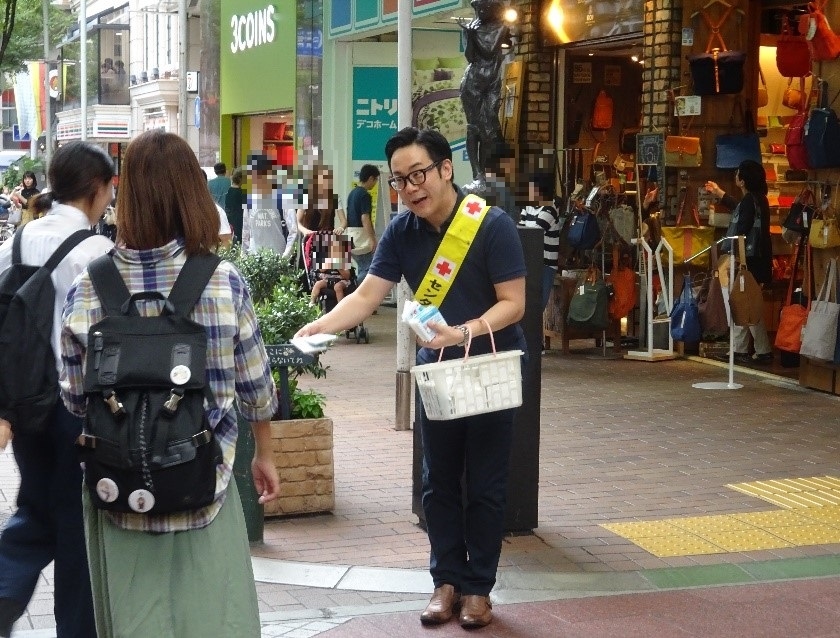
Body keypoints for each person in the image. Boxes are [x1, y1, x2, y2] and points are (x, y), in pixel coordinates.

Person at [295, 127, 526, 630]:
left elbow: (515, 303)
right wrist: (319, 325)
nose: (410, 188)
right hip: (437, 378)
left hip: (488, 369)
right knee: (436, 482)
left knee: (485, 484)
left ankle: (478, 589)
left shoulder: (492, 226)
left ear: (446, 169)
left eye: (418, 174)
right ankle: (445, 582)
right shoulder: (402, 232)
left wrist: (461, 332)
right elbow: (365, 296)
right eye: (400, 180)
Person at [59, 130, 280, 637]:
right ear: (192, 191)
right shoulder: (221, 282)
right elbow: (257, 390)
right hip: (204, 488)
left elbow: (74, 398)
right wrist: (263, 454)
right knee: (213, 619)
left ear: (126, 192)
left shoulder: (89, 286)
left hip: (119, 495)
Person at [0, 141, 116, 638]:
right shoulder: (99, 253)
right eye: (110, 190)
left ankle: (5, 590)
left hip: (24, 402)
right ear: (96, 189)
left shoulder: (15, 243)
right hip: (78, 407)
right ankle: (76, 629)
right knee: (74, 526)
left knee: (38, 504)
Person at [705, 159, 773, 364]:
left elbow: (742, 224)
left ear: (742, 181)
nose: (735, 176)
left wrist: (729, 251)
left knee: (743, 302)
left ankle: (748, 350)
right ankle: (752, 350)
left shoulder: (750, 201)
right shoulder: (759, 199)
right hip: (758, 259)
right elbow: (741, 209)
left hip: (747, 259)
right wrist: (721, 194)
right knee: (747, 302)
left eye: (737, 174)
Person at [458, 0, 510, 185]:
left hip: (491, 82)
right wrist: (469, 36)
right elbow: (470, 56)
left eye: (484, 8)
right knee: (473, 127)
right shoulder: (472, 27)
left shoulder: (501, 27)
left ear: (492, 9)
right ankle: (476, 173)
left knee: (489, 129)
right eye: (478, 8)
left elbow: (489, 51)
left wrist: (472, 35)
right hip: (472, 82)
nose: (480, 11)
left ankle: (486, 172)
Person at [240, 153, 298, 260]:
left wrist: (284, 258)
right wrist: (244, 257)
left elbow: (293, 231)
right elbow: (246, 232)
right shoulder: (250, 199)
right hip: (254, 261)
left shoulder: (282, 198)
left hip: (277, 260)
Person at [518, 171, 560, 310]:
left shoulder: (550, 207)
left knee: (537, 306)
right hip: (529, 263)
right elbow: (520, 229)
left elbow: (535, 232)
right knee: (527, 305)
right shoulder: (528, 205)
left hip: (545, 264)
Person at [345, 164, 380, 283]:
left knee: (361, 267)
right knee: (368, 269)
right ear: (371, 178)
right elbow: (365, 218)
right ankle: (354, 289)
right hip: (361, 237)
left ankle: (356, 291)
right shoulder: (365, 195)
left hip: (351, 235)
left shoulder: (352, 193)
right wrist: (372, 239)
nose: (375, 183)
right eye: (375, 180)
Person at [308, 234, 354, 306]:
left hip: (341, 281)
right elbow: (321, 270)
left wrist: (339, 266)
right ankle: (312, 302)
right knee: (318, 284)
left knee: (338, 287)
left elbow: (347, 276)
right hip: (327, 280)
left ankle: (340, 307)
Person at [224, 166, 246, 242]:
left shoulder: (229, 190)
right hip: (239, 222)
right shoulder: (241, 193)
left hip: (230, 221)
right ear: (241, 178)